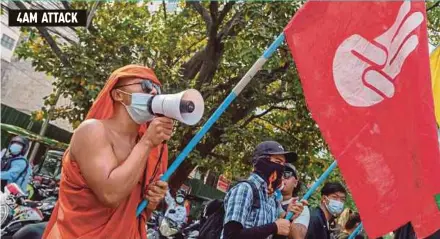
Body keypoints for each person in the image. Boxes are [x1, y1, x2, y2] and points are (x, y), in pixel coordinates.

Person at [42, 65, 174, 239]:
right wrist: (147, 142)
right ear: (118, 94)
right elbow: (110, 195)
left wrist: (151, 201)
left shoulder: (148, 147)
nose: (153, 93)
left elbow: (135, 216)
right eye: (145, 85)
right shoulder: (92, 131)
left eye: (157, 89)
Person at [222, 140, 306, 239]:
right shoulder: (245, 189)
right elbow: (231, 235)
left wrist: (289, 215)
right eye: (278, 162)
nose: (281, 168)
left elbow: (273, 231)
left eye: (283, 164)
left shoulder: (272, 198)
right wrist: (274, 227)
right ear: (262, 162)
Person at [281, 163, 310, 239]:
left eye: (287, 174)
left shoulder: (300, 207)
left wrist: (290, 217)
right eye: (278, 174)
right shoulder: (264, 199)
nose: (282, 178)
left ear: (295, 183)